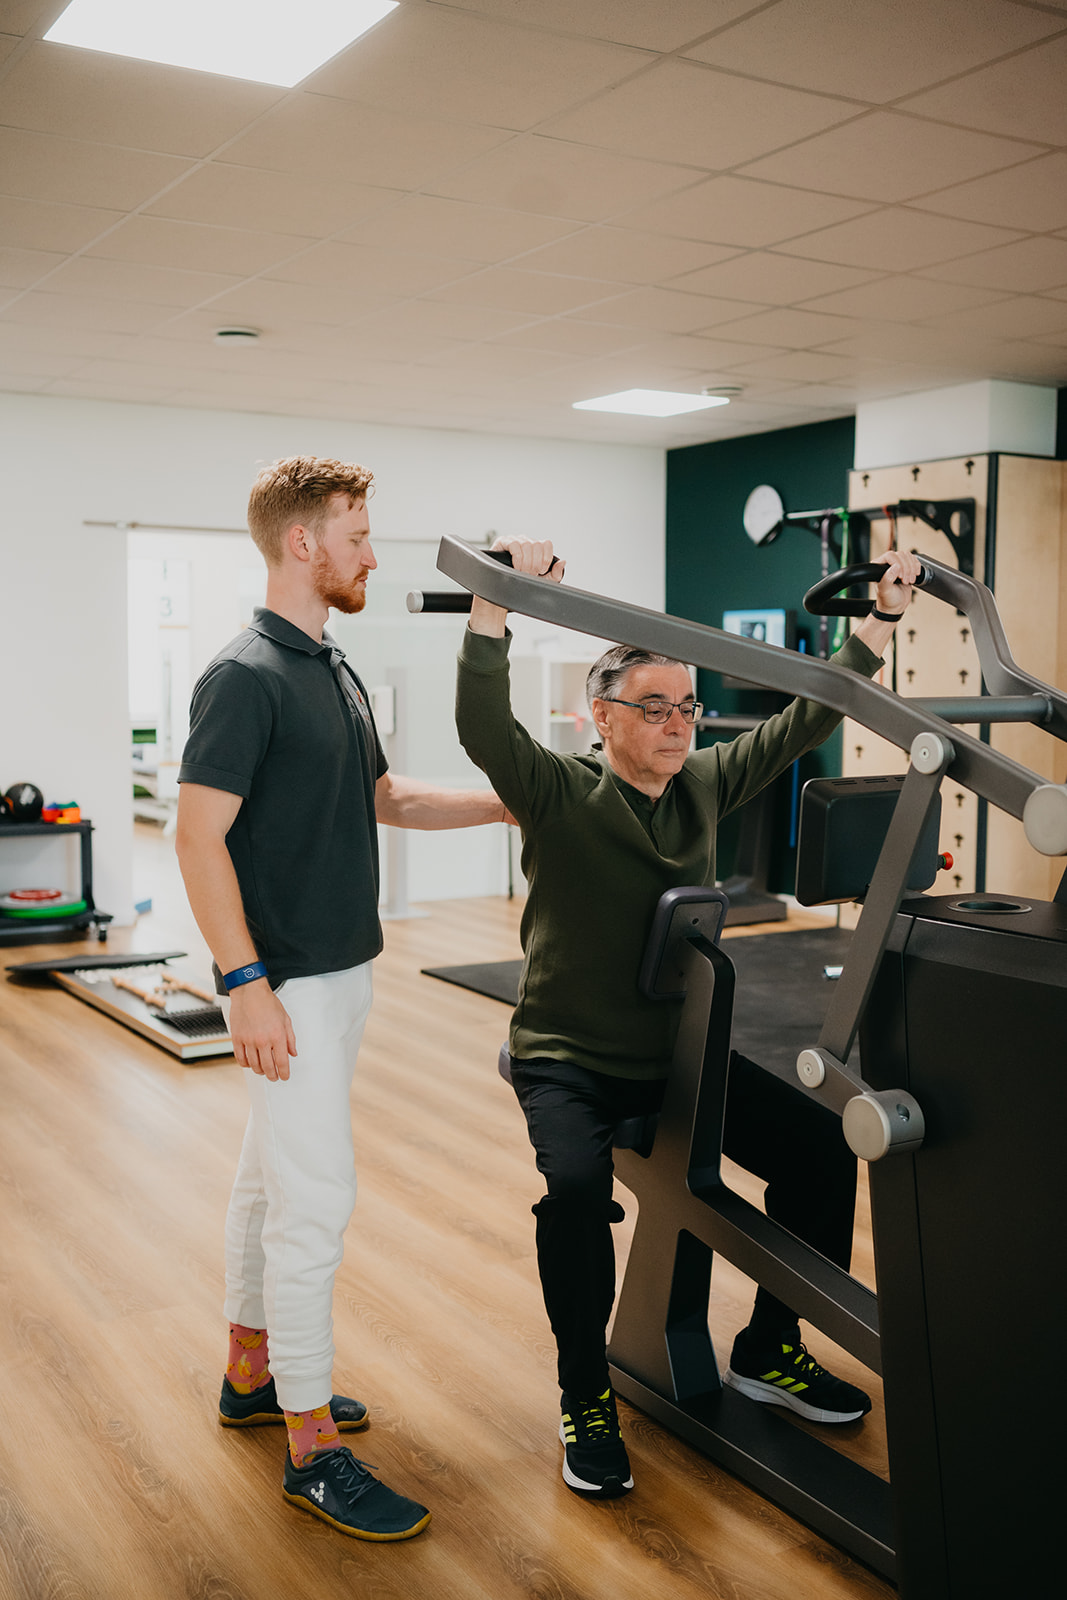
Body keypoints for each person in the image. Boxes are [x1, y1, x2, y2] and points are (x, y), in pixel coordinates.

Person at [455, 538, 922, 1499]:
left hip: (678, 1055)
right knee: (578, 1191)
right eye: (653, 707)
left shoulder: (701, 785)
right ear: (602, 717)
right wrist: (493, 604)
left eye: (687, 707)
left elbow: (803, 721)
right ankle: (584, 1391)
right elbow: (479, 724)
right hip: (568, 1061)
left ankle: (768, 1347)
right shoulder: (556, 791)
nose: (676, 724)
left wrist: (875, 620)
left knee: (822, 1146)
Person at [176, 456, 507, 1542]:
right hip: (292, 987)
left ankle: (250, 1376)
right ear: (301, 544)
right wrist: (244, 984)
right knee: (315, 1205)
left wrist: (514, 802)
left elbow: (384, 795)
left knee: (270, 1186)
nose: (372, 551)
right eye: (357, 534)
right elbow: (197, 835)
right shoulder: (245, 674)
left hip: (342, 969)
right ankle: (311, 1447)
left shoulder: (331, 666)